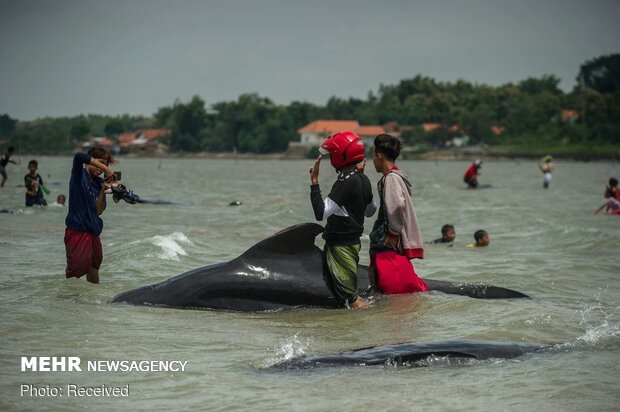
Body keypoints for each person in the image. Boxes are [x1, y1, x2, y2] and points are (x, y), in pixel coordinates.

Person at [309, 131, 376, 309]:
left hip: (339, 246)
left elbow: (321, 213)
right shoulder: (363, 179)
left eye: (332, 154)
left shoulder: (345, 182)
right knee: (346, 292)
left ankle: (369, 324)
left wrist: (314, 181)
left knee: (351, 298)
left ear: (340, 156)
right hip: (353, 243)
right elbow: (370, 211)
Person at [369, 134, 428, 294]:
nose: (373, 160)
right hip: (388, 238)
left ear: (379, 156)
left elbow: (396, 206)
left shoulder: (391, 179)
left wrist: (393, 233)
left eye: (373, 156)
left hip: (388, 239)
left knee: (392, 285)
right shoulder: (392, 178)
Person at [65, 147, 116, 284]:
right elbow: (78, 156)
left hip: (93, 232)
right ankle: (68, 300)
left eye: (105, 165)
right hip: (77, 231)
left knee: (94, 268)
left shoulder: (99, 183)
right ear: (91, 160)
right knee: (75, 270)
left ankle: (93, 301)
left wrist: (104, 190)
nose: (102, 168)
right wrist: (105, 169)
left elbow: (98, 210)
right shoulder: (79, 175)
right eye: (100, 163)